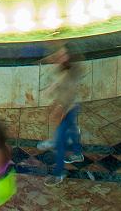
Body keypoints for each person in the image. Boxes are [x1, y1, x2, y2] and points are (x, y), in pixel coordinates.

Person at [41, 45, 83, 186]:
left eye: (62, 55)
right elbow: (57, 85)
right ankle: (77, 153)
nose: (59, 57)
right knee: (72, 129)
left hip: (68, 109)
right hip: (69, 107)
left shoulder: (69, 74)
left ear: (68, 57)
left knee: (60, 142)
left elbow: (67, 95)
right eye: (58, 55)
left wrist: (60, 109)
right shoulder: (62, 68)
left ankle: (58, 174)